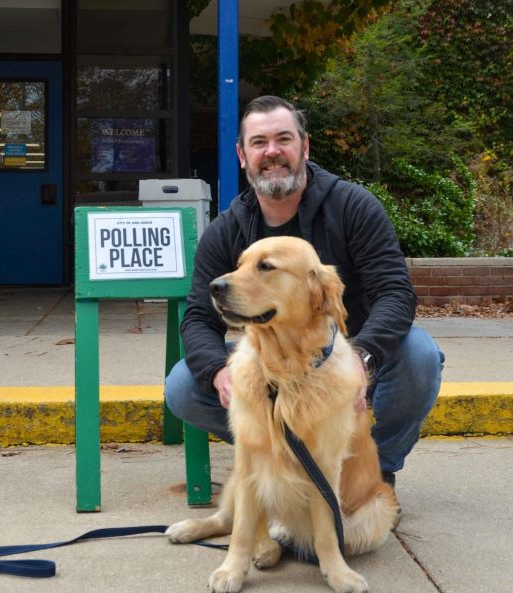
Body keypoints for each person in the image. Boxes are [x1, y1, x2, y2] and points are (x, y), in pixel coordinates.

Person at [165, 95, 444, 485]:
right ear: (242, 155)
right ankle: (292, 458)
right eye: (259, 142)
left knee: (420, 356)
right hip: (274, 362)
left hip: (353, 355)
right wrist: (217, 372)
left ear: (305, 146)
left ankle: (372, 471)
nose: (273, 152)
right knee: (182, 387)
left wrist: (361, 359)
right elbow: (198, 316)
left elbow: (396, 294)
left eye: (284, 139)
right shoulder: (226, 230)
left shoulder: (354, 207)